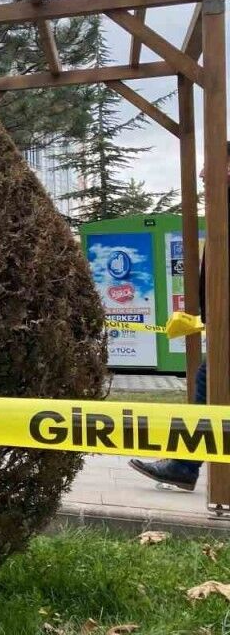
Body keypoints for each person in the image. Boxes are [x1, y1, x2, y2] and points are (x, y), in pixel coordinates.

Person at [130, 142, 229, 491]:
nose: (201, 174)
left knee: (208, 384)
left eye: (209, 166)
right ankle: (184, 466)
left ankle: (185, 467)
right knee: (208, 384)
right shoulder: (220, 209)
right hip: (222, 324)